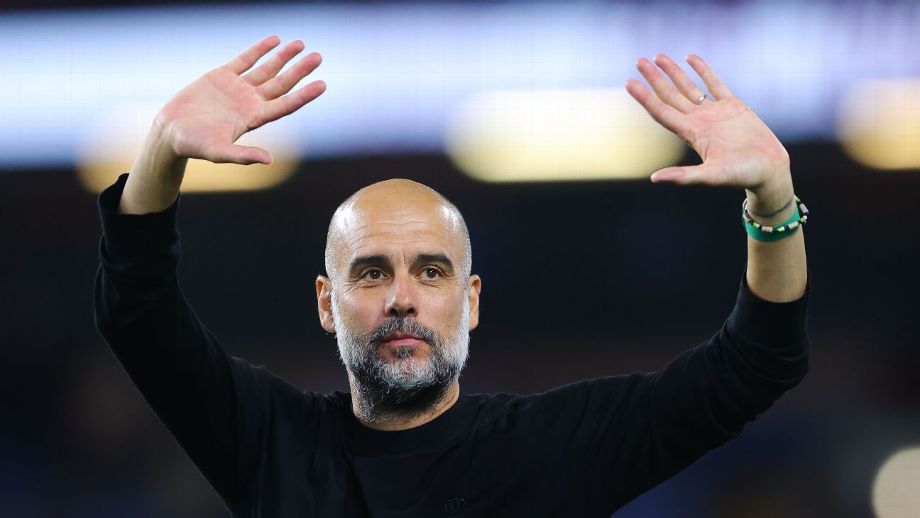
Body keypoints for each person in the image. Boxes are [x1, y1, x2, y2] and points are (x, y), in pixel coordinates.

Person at [94, 36, 810, 517]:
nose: (401, 297)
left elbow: (758, 363)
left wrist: (773, 199)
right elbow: (139, 314)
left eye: (430, 271)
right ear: (326, 302)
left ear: (469, 301)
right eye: (371, 272)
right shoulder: (272, 442)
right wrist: (160, 152)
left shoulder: (551, 449)